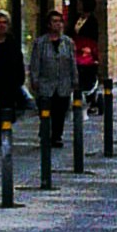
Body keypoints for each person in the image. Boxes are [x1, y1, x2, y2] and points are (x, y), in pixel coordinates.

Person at [28, 8, 79, 147]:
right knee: (45, 112)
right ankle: (45, 133)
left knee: (60, 112)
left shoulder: (68, 42)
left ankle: (57, 136)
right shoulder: (40, 43)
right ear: (48, 24)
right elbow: (35, 63)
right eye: (54, 21)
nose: (58, 24)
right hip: (46, 83)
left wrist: (75, 80)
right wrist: (34, 79)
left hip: (63, 83)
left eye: (60, 21)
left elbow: (72, 62)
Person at [69, 0, 101, 109]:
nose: (78, 6)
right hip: (75, 47)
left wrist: (89, 49)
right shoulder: (76, 18)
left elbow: (93, 38)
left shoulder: (92, 21)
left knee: (87, 72)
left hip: (86, 49)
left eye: (80, 4)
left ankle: (91, 98)